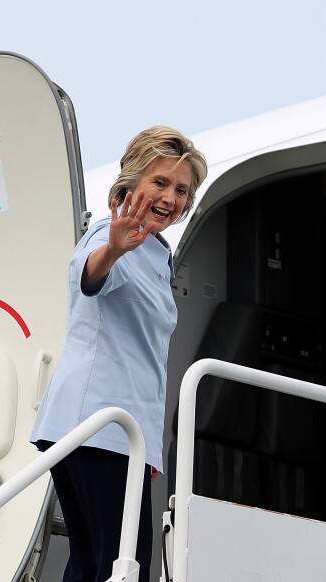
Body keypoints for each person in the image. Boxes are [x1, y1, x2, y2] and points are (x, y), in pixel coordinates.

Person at [30, 125, 207, 582]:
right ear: (132, 182)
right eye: (160, 182)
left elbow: (142, 358)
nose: (171, 198)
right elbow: (89, 278)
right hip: (96, 423)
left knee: (94, 563)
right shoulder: (113, 233)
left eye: (182, 189)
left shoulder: (156, 250)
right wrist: (112, 249)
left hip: (113, 431)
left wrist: (144, 449)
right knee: (124, 563)